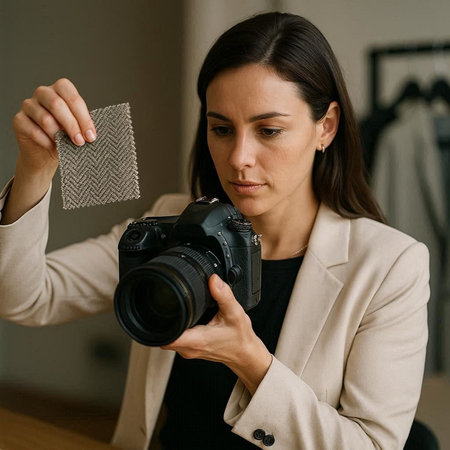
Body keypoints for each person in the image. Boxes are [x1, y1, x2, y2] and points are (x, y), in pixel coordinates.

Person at [0, 12, 429, 450]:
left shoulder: (389, 267)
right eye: (221, 128)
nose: (239, 157)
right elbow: (24, 298)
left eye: (269, 130)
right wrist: (35, 169)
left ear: (327, 127)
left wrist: (251, 362)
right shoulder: (172, 222)